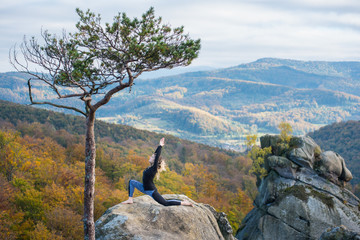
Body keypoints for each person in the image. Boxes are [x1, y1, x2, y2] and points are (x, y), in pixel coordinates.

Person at [122, 137, 193, 207]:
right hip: (143, 187)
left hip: (151, 191)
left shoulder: (153, 169)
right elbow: (155, 155)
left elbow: (157, 157)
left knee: (165, 203)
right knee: (131, 182)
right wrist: (158, 147)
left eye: (152, 157)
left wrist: (160, 146)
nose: (150, 157)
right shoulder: (150, 167)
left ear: (155, 161)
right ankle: (130, 199)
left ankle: (184, 203)